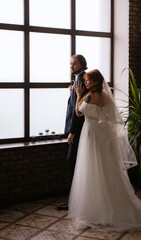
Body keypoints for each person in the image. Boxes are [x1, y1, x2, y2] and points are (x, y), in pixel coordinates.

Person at [68, 69, 141, 231]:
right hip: (99, 133)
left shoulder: (89, 96)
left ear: (94, 81)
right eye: (85, 81)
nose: (85, 83)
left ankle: (98, 211)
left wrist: (78, 94)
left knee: (92, 167)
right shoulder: (105, 96)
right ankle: (110, 205)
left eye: (87, 81)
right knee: (104, 166)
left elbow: (79, 112)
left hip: (92, 133)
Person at [57, 54, 88, 210]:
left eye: (74, 64)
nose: (71, 66)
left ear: (82, 64)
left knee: (73, 163)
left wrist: (72, 132)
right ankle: (76, 201)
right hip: (77, 130)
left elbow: (79, 110)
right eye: (70, 63)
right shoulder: (78, 80)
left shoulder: (82, 81)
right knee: (74, 163)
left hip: (78, 131)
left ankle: (75, 202)